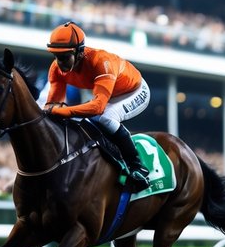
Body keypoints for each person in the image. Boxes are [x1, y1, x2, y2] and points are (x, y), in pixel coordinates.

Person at [40, 22, 152, 189]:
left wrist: (62, 111)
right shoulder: (56, 69)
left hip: (134, 91)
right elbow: (53, 107)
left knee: (106, 118)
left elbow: (97, 108)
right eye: (55, 56)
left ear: (79, 53)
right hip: (110, 94)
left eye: (64, 57)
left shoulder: (100, 62)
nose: (59, 63)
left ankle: (137, 166)